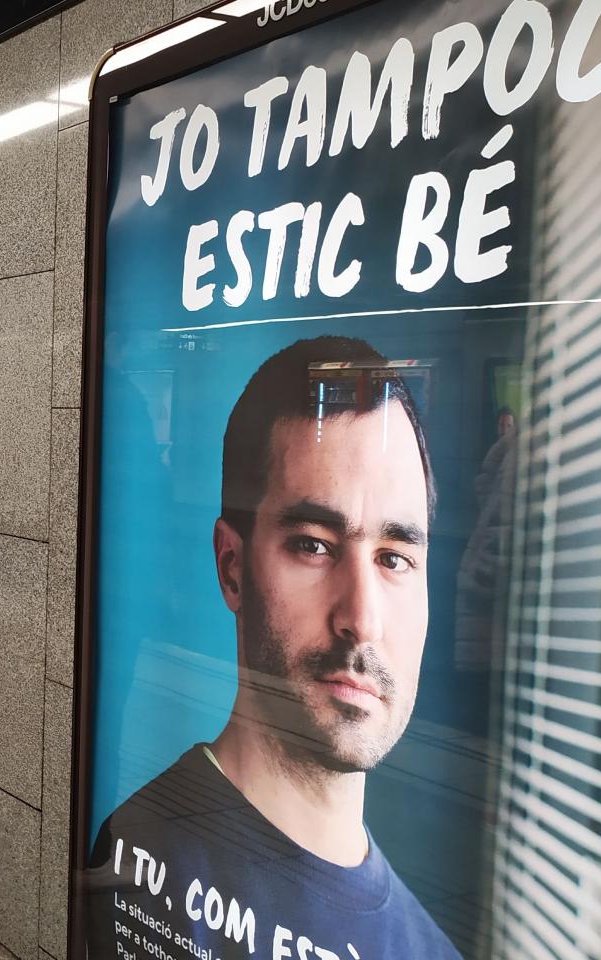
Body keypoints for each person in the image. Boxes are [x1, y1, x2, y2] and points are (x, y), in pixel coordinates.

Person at [84, 336, 458, 959]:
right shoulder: (142, 863)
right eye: (314, 545)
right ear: (233, 567)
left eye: (395, 558)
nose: (361, 619)